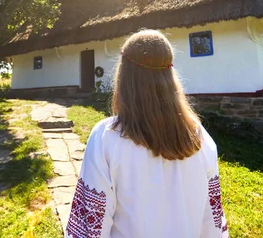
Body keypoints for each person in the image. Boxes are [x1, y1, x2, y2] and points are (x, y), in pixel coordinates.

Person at [65, 30, 228, 238]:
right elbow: (212, 223)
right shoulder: (199, 137)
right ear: (170, 76)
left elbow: (90, 231)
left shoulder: (106, 137)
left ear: (124, 77)